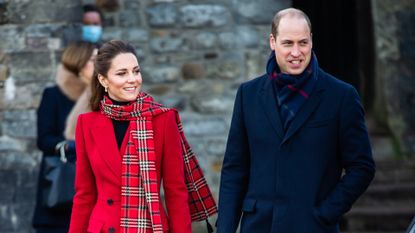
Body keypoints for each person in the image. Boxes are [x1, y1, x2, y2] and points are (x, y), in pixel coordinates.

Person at [216, 8, 375, 233]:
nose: (296, 52)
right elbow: (235, 169)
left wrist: (327, 212)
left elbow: (362, 167)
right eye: (288, 43)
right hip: (259, 226)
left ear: (311, 41)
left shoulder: (341, 96)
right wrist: (225, 229)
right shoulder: (248, 95)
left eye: (303, 42)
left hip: (313, 226)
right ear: (273, 42)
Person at [69, 40, 217, 233]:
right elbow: (85, 194)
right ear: (104, 80)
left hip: (149, 228)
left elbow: (175, 193)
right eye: (122, 73)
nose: (133, 79)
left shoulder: (163, 120)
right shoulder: (86, 123)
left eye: (136, 71)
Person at [32, 41, 98, 233]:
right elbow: (44, 139)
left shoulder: (103, 96)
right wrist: (71, 145)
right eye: (94, 60)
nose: (100, 65)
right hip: (62, 188)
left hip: (96, 191)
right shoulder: (53, 95)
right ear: (79, 63)